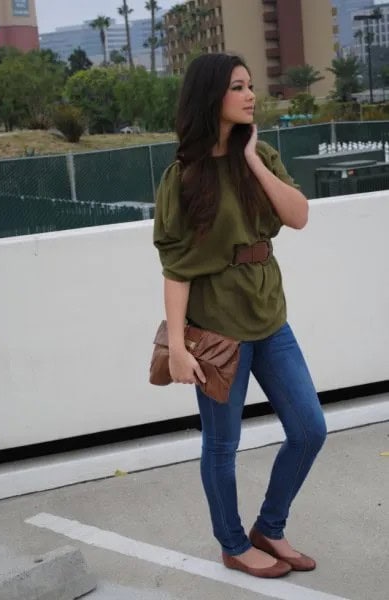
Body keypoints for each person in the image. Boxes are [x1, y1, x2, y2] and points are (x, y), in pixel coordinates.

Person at [153, 53, 327, 579]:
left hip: (269, 316)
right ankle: (233, 542)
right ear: (212, 96)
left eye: (251, 85)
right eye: (238, 86)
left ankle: (269, 528)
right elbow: (177, 268)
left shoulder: (263, 154)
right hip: (217, 330)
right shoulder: (183, 175)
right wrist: (180, 347)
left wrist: (251, 158)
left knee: (309, 429)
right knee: (222, 445)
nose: (251, 94)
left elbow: (297, 217)